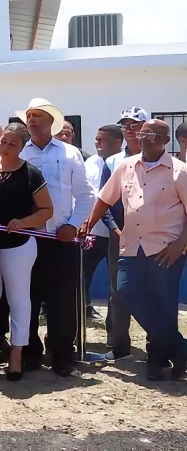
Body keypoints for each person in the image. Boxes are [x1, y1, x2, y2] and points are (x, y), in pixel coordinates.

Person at [80, 119, 187, 380]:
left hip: (165, 249)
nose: (145, 137)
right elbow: (106, 198)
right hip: (131, 246)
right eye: (143, 133)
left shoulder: (180, 171)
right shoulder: (126, 165)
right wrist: (88, 224)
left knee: (163, 306)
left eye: (152, 133)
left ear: (165, 139)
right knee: (125, 292)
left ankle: (158, 360)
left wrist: (179, 246)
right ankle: (181, 348)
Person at [16, 98, 95, 377]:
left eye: (38, 115)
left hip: (61, 240)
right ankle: (30, 353)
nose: (32, 120)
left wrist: (73, 225)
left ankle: (62, 354)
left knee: (63, 300)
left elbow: (86, 196)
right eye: (29, 115)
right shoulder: (18, 153)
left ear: (51, 122)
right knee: (26, 298)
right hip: (27, 240)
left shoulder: (71, 153)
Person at [0, 123, 53, 381]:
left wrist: (23, 222)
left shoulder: (30, 173)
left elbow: (46, 210)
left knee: (18, 299)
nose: (6, 146)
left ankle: (16, 354)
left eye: (12, 143)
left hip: (18, 244)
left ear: (22, 147)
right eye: (3, 141)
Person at [99, 107, 147, 360]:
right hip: (120, 236)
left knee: (152, 290)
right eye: (126, 125)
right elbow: (104, 201)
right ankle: (119, 346)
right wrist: (115, 230)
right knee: (118, 291)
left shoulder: (163, 160)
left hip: (153, 237)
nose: (131, 129)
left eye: (136, 124)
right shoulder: (113, 162)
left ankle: (158, 346)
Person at [82, 124, 124, 320]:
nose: (96, 142)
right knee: (80, 278)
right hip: (92, 233)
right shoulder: (90, 162)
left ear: (118, 142)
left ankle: (113, 332)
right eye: (96, 139)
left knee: (116, 285)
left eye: (102, 139)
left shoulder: (122, 163)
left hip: (118, 236)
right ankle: (83, 313)